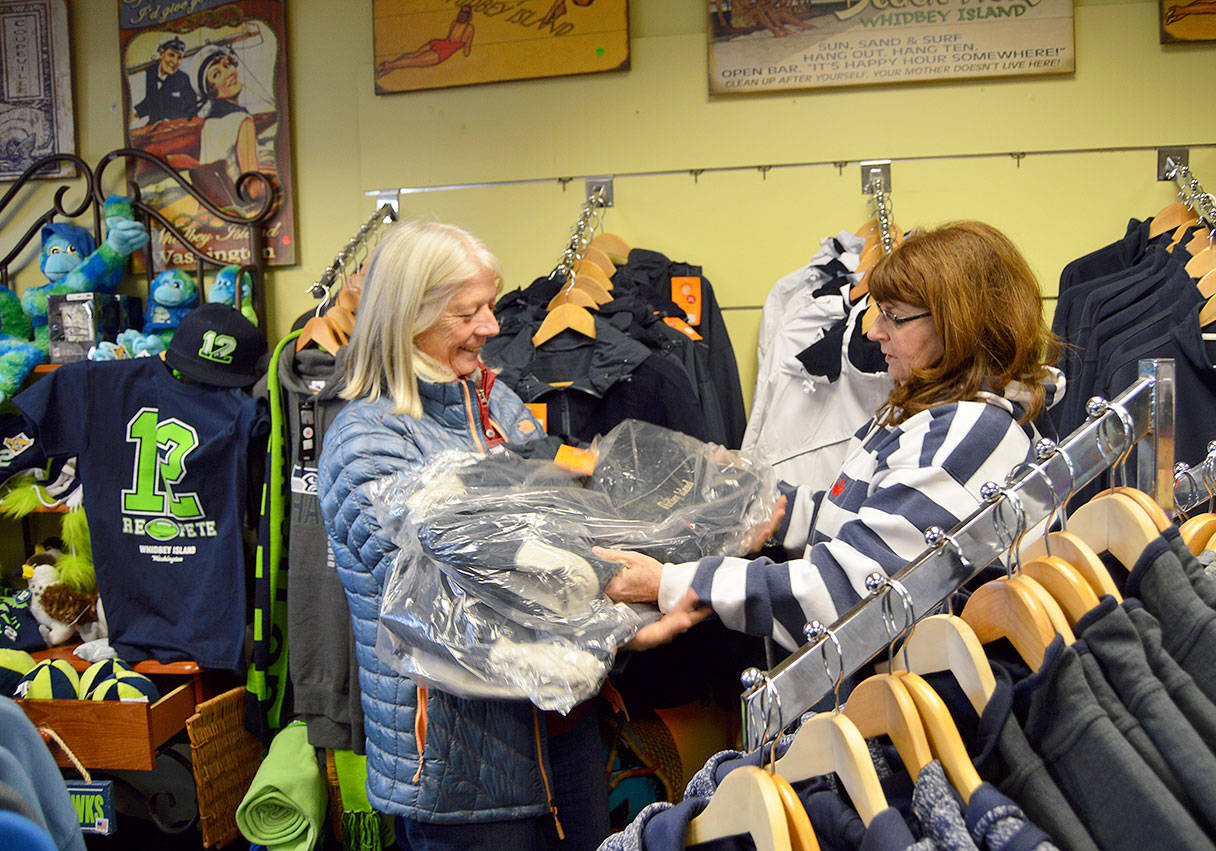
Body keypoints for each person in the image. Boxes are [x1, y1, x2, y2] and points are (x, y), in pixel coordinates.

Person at [316, 220, 706, 851]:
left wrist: (696, 502)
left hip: (560, 741)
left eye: (490, 306)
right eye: (467, 313)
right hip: (459, 773)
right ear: (408, 317)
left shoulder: (494, 407)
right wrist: (624, 624)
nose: (494, 328)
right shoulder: (370, 444)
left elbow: (565, 525)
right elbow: (451, 616)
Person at [599, 221, 1064, 652]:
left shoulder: (966, 435)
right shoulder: (925, 413)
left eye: (894, 317)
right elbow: (866, 520)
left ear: (958, 324)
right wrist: (766, 502)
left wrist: (673, 583)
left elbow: (847, 596)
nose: (875, 331)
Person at [194, 46, 260, 185]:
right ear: (211, 91)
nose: (228, 73)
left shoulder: (208, 123)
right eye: (216, 74)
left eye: (227, 65)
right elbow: (253, 187)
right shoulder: (243, 121)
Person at [378, 5, 476, 75]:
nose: (462, 14)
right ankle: (389, 65)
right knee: (414, 60)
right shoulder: (468, 28)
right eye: (462, 12)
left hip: (440, 44)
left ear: (468, 15)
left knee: (414, 56)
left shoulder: (456, 24)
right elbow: (466, 49)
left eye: (464, 12)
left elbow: (453, 39)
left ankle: (390, 66)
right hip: (443, 51)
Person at [134, 36, 197, 125]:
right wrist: (135, 113)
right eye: (171, 55)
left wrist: (172, 121)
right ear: (162, 53)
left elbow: (191, 110)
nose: (175, 62)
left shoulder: (183, 79)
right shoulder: (151, 72)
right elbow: (151, 101)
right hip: (154, 125)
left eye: (179, 58)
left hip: (175, 127)